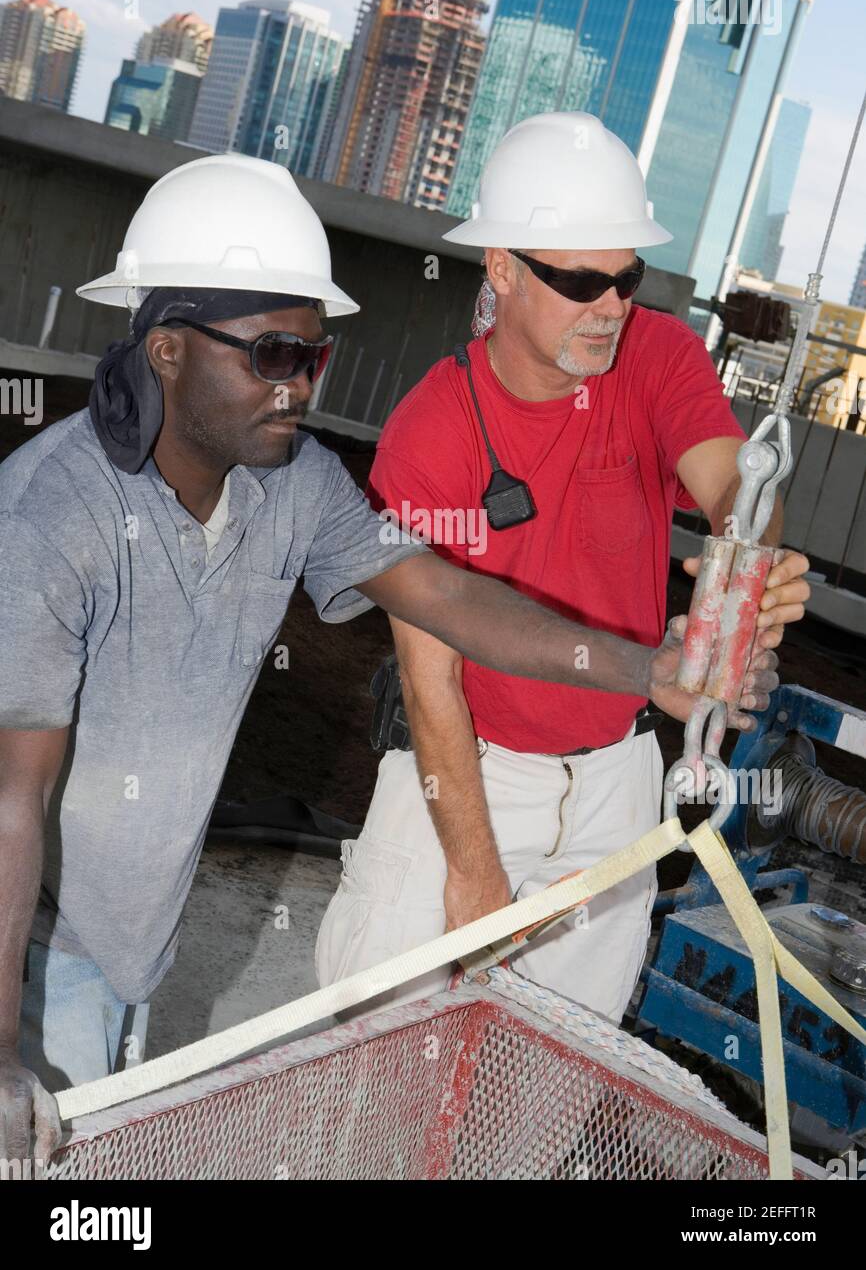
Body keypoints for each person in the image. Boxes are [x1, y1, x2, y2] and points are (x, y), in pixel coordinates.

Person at [0, 150, 762, 1164]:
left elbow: (446, 597)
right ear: (169, 348)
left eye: (314, 357)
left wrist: (644, 670)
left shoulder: (295, 484)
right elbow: (10, 794)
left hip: (137, 934)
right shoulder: (53, 515)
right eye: (274, 355)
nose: (302, 386)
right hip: (37, 941)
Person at [316, 112, 809, 1023]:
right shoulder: (431, 434)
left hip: (617, 785)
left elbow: (734, 482)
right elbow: (433, 692)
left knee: (546, 1085)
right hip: (468, 781)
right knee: (376, 1066)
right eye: (580, 281)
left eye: (627, 280)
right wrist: (473, 872)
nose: (611, 307)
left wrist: (747, 563)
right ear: (501, 268)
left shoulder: (657, 354)